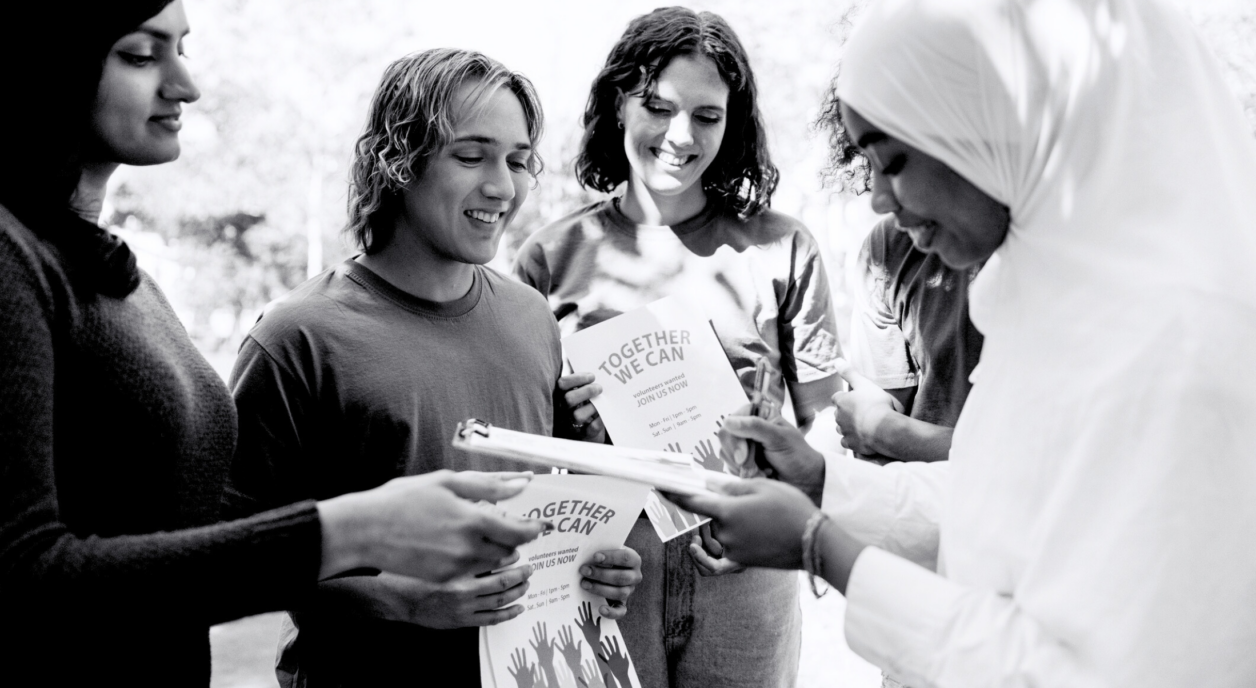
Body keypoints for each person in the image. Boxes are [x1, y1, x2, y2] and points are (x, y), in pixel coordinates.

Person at [676, 0, 1256, 686]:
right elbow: (999, 497)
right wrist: (823, 480)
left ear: (993, 128)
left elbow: (1090, 669)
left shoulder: (1175, 348)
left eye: (894, 162)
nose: (881, 202)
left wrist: (822, 548)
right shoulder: (1059, 307)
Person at [0, 3, 549, 686]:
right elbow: (25, 573)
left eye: (182, 49)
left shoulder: (114, 273)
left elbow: (196, 556)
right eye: (142, 54)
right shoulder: (14, 258)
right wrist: (356, 535)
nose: (187, 84)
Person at [224, 49, 642, 688]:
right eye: (470, 156)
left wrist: (594, 566)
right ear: (399, 160)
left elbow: (546, 514)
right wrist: (404, 600)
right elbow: (234, 562)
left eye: (518, 160)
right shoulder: (297, 338)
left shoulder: (533, 317)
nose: (503, 186)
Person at [513, 8, 841, 687]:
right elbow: (520, 443)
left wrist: (782, 510)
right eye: (658, 107)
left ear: (735, 120)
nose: (680, 136)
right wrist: (561, 416)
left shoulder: (783, 247)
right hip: (603, 574)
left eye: (708, 115)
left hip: (745, 577)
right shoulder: (549, 256)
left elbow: (827, 423)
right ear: (618, 104)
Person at [831, 211, 984, 463]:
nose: (880, 198)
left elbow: (1035, 458)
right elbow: (870, 448)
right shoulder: (889, 246)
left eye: (894, 169)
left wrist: (881, 431)